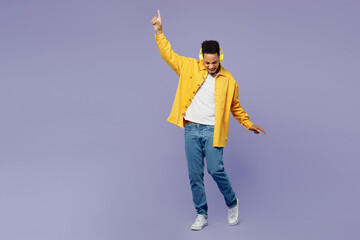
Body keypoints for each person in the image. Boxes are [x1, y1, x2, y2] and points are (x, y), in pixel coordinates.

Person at [151, 10, 266, 231]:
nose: (210, 66)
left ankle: (232, 202)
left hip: (214, 130)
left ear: (219, 57)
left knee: (215, 170)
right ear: (201, 57)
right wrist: (160, 33)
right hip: (191, 130)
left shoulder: (229, 79)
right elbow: (169, 55)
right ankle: (201, 214)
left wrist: (248, 123)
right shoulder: (189, 67)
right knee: (195, 175)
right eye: (207, 62)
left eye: (213, 62)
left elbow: (235, 106)